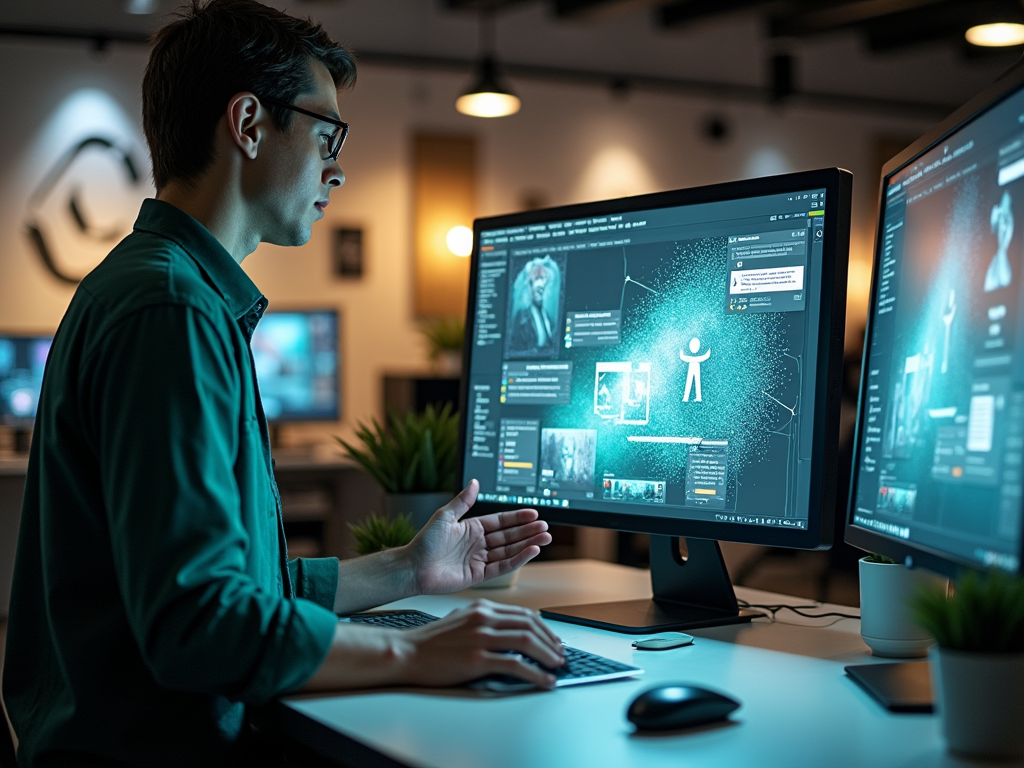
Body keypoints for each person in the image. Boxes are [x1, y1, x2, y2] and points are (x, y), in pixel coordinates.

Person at [1, 2, 562, 766]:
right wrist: (421, 653)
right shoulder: (172, 310)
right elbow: (200, 625)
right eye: (327, 132)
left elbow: (236, 592)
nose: (337, 165)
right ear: (249, 123)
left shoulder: (164, 291)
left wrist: (411, 568)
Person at [509, 258, 558, 355]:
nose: (540, 293)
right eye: (537, 289)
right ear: (530, 287)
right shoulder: (522, 317)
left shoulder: (547, 316)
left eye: (542, 289)